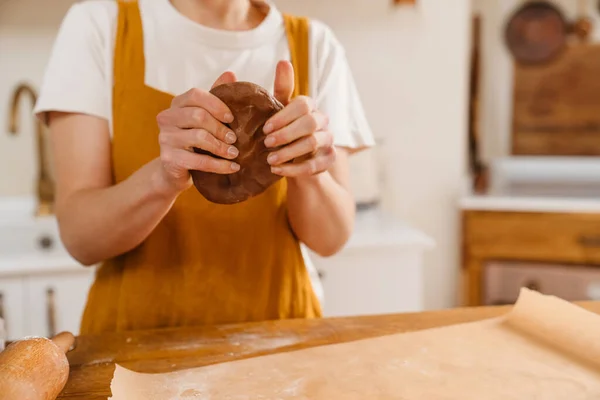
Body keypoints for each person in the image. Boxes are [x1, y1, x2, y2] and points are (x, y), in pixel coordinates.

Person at [34, 0, 374, 335]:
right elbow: (81, 239)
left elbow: (331, 239)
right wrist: (163, 178)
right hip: (133, 345)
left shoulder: (314, 43)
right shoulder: (100, 27)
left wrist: (305, 170)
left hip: (280, 337)